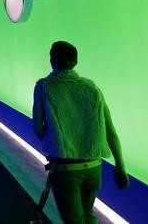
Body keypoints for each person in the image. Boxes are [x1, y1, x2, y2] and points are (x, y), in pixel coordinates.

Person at [32, 41, 129, 224]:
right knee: (88, 214)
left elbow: (38, 126)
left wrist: (53, 146)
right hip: (94, 167)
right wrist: (120, 165)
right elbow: (110, 130)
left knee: (74, 220)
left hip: (65, 169)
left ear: (52, 60)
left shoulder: (44, 87)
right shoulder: (92, 88)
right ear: (75, 61)